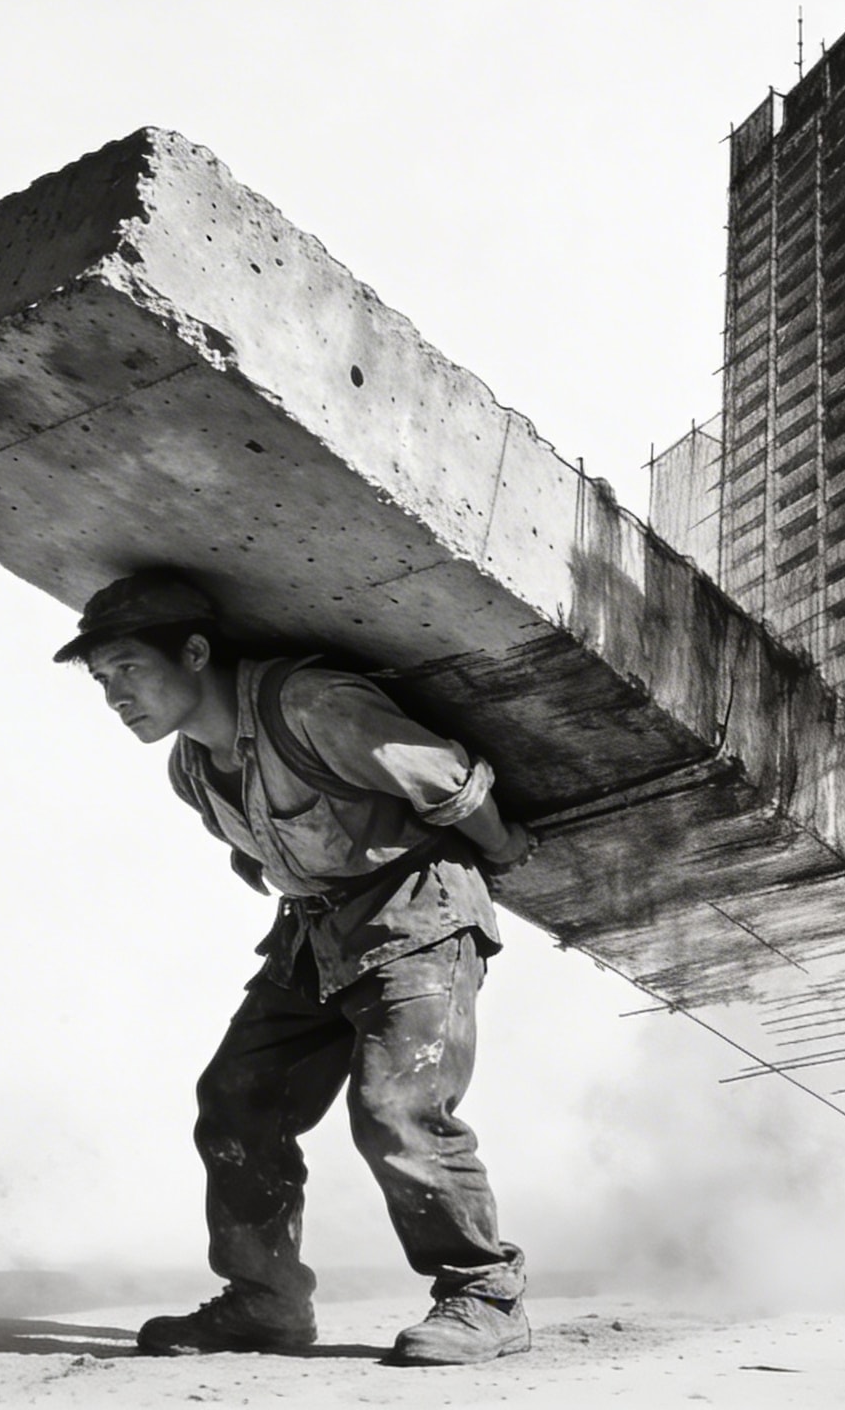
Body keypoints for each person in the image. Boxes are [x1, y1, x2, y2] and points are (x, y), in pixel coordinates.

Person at [53, 569, 535, 1366]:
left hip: (418, 913)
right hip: (314, 935)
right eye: (103, 681)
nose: (114, 696)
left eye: (129, 668)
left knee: (396, 1109)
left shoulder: (312, 707)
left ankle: (484, 1296)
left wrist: (503, 848)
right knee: (238, 1099)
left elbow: (449, 783)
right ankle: (265, 1303)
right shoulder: (190, 769)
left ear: (196, 652)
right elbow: (259, 857)